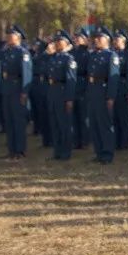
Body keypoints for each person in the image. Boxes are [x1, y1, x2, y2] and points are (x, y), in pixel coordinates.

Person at [86, 28, 120, 164]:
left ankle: (107, 154)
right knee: (94, 124)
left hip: (103, 91)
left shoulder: (111, 56)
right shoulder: (93, 55)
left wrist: (110, 97)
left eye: (100, 38)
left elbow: (113, 79)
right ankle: (98, 152)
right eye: (96, 38)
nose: (96, 40)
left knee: (104, 124)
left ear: (107, 40)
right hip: (93, 91)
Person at [0, 25, 32, 160]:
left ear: (18, 37)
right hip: (7, 89)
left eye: (11, 35)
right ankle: (11, 149)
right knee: (9, 121)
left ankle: (20, 150)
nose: (8, 37)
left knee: (18, 121)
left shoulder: (22, 53)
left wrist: (24, 92)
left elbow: (26, 74)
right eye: (7, 35)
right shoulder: (6, 52)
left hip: (17, 89)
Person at [46, 32, 78, 160]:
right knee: (54, 124)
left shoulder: (68, 59)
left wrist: (69, 99)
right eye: (56, 41)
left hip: (63, 92)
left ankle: (66, 152)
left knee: (64, 124)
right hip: (53, 92)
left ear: (66, 43)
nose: (58, 43)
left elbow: (71, 80)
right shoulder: (53, 57)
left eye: (61, 41)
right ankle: (57, 151)